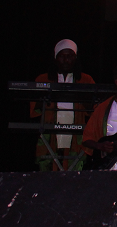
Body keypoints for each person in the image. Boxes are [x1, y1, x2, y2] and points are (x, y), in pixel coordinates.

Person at [31, 39, 96, 171]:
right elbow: (35, 110)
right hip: (50, 134)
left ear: (75, 58)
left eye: (70, 56)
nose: (66, 60)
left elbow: (93, 109)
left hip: (76, 134)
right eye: (62, 56)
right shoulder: (43, 79)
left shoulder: (86, 80)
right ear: (55, 58)